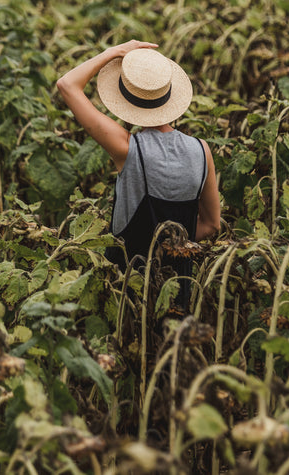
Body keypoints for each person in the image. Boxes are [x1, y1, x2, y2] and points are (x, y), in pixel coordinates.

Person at [55, 40, 221, 304]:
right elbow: (212, 224)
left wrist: (113, 52)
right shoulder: (202, 151)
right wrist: (172, 247)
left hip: (126, 290)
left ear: (126, 103)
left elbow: (67, 84)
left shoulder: (126, 147)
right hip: (178, 289)